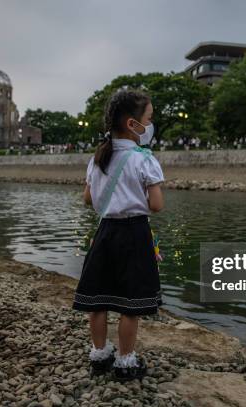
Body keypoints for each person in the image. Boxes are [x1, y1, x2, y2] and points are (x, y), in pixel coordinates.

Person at [72, 89, 165, 382]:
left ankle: (100, 354)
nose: (150, 125)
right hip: (135, 233)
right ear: (131, 124)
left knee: (97, 300)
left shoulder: (98, 157)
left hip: (105, 232)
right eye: (148, 119)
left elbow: (88, 199)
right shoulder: (143, 159)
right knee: (130, 304)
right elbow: (156, 205)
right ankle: (126, 361)